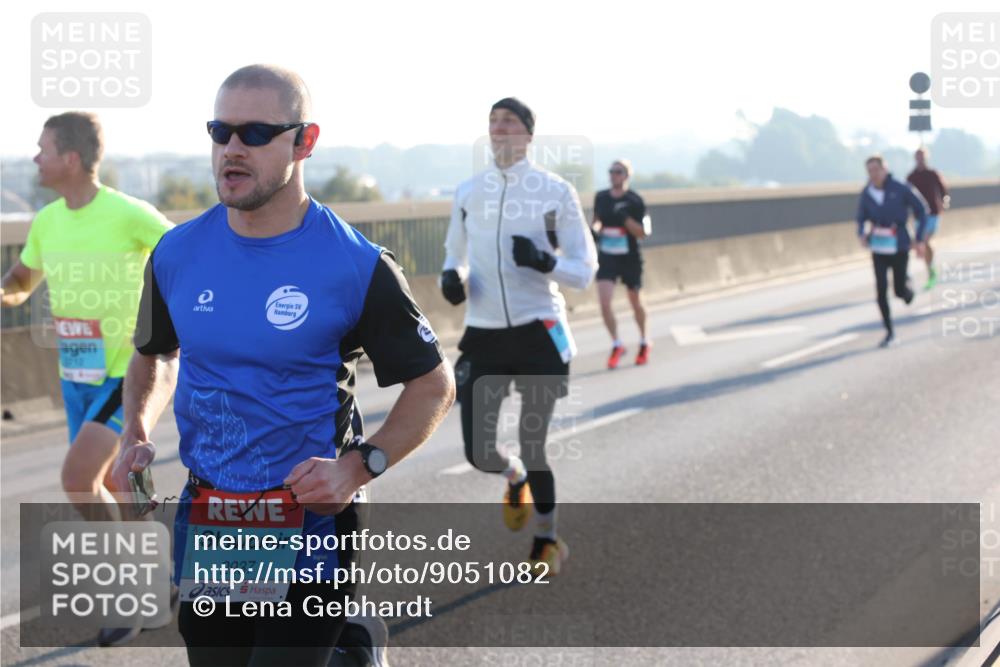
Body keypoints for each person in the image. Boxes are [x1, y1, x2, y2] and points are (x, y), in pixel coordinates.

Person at [111, 64, 455, 667]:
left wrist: (361, 465)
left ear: (305, 141)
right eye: (220, 132)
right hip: (211, 513)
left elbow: (433, 385)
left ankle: (350, 642)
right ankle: (354, 647)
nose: (232, 149)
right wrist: (135, 432)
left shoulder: (355, 264)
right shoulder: (177, 252)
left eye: (255, 133)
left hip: (311, 518)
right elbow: (156, 354)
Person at [0, 112, 173, 645]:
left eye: (42, 149)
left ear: (70, 159)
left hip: (131, 372)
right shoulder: (49, 220)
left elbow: (188, 258)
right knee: (119, 481)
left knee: (79, 477)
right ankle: (159, 571)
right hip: (78, 374)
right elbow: (21, 280)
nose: (35, 158)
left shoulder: (128, 213)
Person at [440, 97, 597, 575]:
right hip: (484, 334)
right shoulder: (469, 192)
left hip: (539, 332)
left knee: (534, 441)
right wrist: (453, 276)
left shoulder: (555, 191)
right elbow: (454, 253)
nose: (499, 129)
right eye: (492, 122)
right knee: (478, 450)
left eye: (509, 122)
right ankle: (514, 479)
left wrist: (546, 263)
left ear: (528, 134)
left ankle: (547, 540)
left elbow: (585, 270)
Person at [856, 155, 928, 348]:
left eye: (876, 169)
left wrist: (919, 238)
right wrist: (862, 233)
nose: (873, 174)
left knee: (898, 291)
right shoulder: (867, 193)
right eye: (869, 170)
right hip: (879, 246)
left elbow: (922, 209)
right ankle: (889, 332)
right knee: (880, 290)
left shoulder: (900, 188)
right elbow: (861, 217)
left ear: (884, 169)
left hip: (899, 245)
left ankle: (906, 288)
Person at [591, 159, 650, 368]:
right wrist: (595, 229)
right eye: (611, 171)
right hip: (607, 256)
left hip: (630, 256)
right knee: (604, 302)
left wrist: (625, 219)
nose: (614, 175)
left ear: (626, 175)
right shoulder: (601, 197)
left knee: (635, 301)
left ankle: (643, 341)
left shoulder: (635, 200)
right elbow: (597, 219)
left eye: (618, 172)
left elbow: (643, 233)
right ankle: (616, 343)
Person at [907, 147, 950, 290]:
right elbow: (905, 195)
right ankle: (930, 269)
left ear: (926, 158)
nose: (920, 159)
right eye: (918, 157)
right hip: (919, 215)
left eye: (922, 157)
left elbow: (943, 190)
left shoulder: (933, 174)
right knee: (922, 243)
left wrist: (944, 201)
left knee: (925, 240)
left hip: (933, 213)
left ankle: (931, 271)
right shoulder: (911, 177)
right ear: (915, 158)